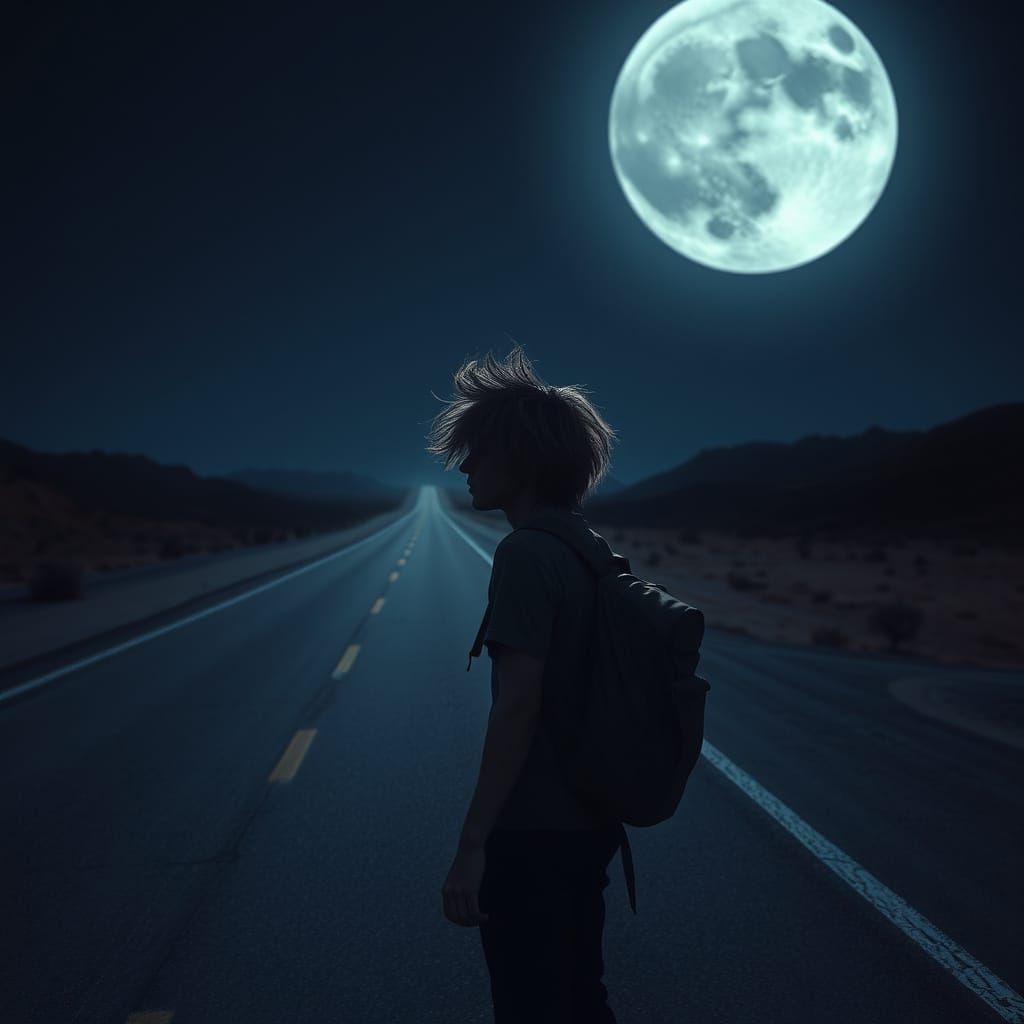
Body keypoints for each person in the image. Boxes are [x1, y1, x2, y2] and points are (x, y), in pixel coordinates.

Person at [425, 341, 623, 1022]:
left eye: (479, 450)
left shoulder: (525, 554)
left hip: (534, 833)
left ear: (522, 457)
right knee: (578, 997)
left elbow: (518, 706)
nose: (467, 466)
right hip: (591, 822)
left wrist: (472, 843)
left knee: (531, 1007)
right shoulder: (588, 547)